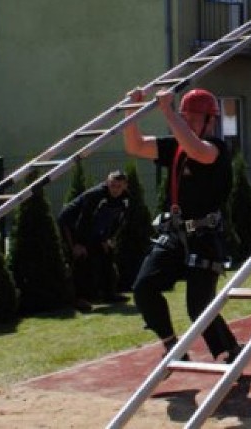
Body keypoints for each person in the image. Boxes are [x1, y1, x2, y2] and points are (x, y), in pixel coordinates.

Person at [123, 87, 241, 362]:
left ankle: (229, 350)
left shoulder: (217, 149)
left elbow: (197, 151)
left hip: (205, 235)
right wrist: (131, 111)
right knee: (144, 287)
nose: (186, 122)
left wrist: (168, 110)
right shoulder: (176, 146)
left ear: (211, 120)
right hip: (175, 233)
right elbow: (135, 146)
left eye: (192, 118)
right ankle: (171, 345)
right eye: (184, 116)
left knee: (198, 306)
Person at [58, 170, 131, 312]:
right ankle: (79, 298)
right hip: (71, 225)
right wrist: (78, 244)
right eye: (112, 185)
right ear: (107, 183)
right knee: (81, 257)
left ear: (125, 186)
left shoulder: (126, 198)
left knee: (107, 252)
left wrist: (106, 238)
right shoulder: (96, 195)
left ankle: (108, 293)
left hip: (93, 227)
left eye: (118, 186)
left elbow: (118, 220)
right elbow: (83, 219)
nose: (115, 189)